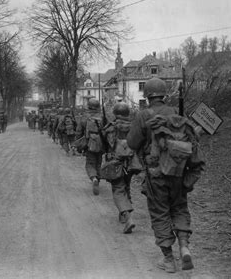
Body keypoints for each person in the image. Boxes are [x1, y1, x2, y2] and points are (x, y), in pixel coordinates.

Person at [127, 77, 205, 273]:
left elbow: (132, 143)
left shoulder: (143, 115)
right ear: (164, 95)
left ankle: (169, 259)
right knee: (179, 208)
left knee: (159, 212)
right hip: (178, 173)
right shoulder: (177, 116)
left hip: (156, 175)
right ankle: (184, 246)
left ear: (148, 96)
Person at [102, 102, 136, 234]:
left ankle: (128, 217)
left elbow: (106, 144)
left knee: (118, 189)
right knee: (126, 186)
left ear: (115, 114)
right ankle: (124, 214)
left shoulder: (111, 127)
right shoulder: (134, 126)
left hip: (115, 162)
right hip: (132, 162)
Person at [75, 98, 105, 195]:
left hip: (89, 143)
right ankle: (98, 179)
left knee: (90, 163)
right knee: (99, 162)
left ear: (88, 106)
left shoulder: (85, 117)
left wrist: (78, 143)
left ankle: (94, 178)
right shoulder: (102, 116)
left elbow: (79, 131)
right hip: (101, 143)